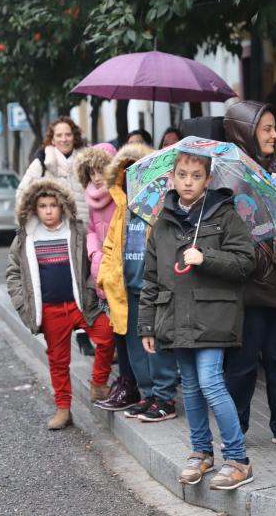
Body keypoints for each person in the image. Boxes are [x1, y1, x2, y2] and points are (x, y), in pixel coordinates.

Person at [138, 151, 256, 490]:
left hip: (213, 316)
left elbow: (245, 263)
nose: (188, 181)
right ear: (172, 177)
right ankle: (201, 452)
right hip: (175, 315)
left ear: (207, 180)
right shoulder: (162, 221)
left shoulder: (224, 216)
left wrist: (206, 257)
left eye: (196, 176)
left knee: (210, 382)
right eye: (183, 175)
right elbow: (150, 277)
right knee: (189, 386)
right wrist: (146, 324)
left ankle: (237, 458)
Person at [223, 101, 276, 450]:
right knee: (241, 363)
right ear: (246, 131)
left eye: (275, 127)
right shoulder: (227, 177)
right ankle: (235, 427)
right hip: (244, 282)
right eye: (266, 128)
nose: (275, 135)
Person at [6, 180, 116, 429]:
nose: (48, 211)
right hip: (51, 310)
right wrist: (23, 303)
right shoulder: (26, 236)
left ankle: (98, 384)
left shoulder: (76, 231)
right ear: (33, 208)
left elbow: (90, 262)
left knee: (107, 333)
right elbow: (13, 272)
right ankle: (63, 409)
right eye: (42, 206)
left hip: (80, 305)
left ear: (62, 206)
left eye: (53, 205)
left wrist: (90, 288)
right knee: (58, 360)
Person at [97, 143, 180, 416]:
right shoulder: (123, 209)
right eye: (128, 174)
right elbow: (111, 247)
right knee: (136, 348)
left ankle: (164, 397)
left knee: (156, 347)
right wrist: (106, 277)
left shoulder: (161, 210)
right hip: (127, 290)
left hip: (153, 290)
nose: (134, 180)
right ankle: (147, 394)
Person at [75, 144, 139, 407]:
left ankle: (130, 381)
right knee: (113, 328)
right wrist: (94, 255)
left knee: (126, 330)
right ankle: (124, 380)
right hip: (101, 270)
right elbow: (91, 229)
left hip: (121, 269)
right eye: (91, 172)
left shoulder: (120, 194)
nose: (96, 177)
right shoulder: (92, 198)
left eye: (101, 170)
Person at [17, 116, 89, 223]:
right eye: (59, 135)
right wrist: (37, 225)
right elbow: (22, 196)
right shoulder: (41, 163)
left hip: (86, 232)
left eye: (68, 135)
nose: (64, 139)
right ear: (52, 140)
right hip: (54, 234)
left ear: (74, 137)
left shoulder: (87, 162)